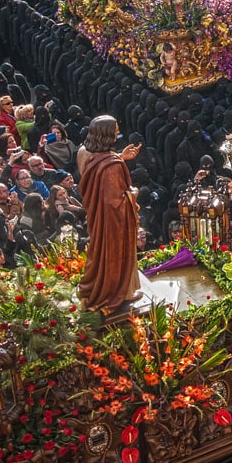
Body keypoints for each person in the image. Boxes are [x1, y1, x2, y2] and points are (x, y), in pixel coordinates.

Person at [76, 116, 142, 315]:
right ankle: (118, 293)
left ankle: (113, 290)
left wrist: (121, 157)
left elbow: (96, 181)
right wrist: (134, 194)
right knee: (114, 256)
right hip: (113, 223)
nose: (117, 133)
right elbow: (114, 202)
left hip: (96, 217)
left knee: (99, 253)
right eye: (115, 130)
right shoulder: (111, 165)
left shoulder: (84, 152)